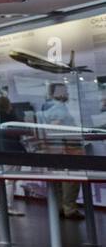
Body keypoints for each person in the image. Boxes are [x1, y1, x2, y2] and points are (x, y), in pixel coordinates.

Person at [39, 82, 84, 220]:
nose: (67, 93)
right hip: (65, 148)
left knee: (58, 179)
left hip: (55, 149)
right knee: (71, 180)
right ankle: (69, 208)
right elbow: (64, 131)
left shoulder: (49, 109)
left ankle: (60, 207)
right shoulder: (58, 110)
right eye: (65, 91)